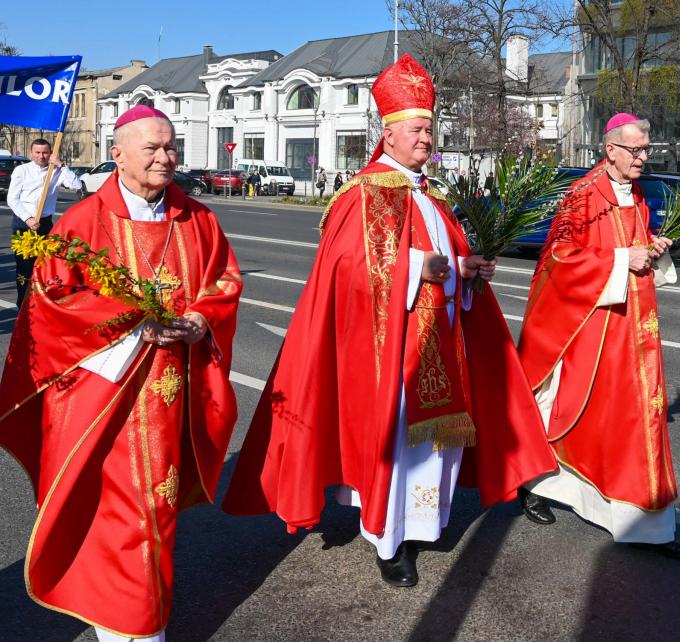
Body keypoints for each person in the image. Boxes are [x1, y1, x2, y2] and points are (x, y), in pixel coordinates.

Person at [223, 53, 556, 587]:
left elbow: (446, 261)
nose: (425, 138)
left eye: (428, 129)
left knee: (435, 448)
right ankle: (389, 539)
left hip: (442, 338)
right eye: (416, 130)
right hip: (393, 348)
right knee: (399, 444)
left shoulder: (433, 195)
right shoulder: (364, 191)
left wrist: (466, 269)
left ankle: (423, 524)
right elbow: (346, 268)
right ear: (389, 134)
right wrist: (415, 269)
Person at [0, 105, 243, 640]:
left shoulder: (198, 218)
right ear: (118, 155)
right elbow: (50, 305)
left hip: (173, 393)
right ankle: (132, 626)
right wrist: (132, 325)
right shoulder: (82, 223)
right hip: (106, 397)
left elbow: (223, 280)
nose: (165, 157)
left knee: (158, 510)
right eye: (151, 148)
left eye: (171, 147)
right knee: (123, 514)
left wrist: (201, 319)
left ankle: (141, 618)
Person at [516, 113, 680, 560]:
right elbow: (559, 257)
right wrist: (620, 259)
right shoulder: (581, 196)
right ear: (610, 149)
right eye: (635, 150)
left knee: (637, 417)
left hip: (636, 322)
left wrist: (653, 249)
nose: (643, 158)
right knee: (582, 413)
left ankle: (649, 525)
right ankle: (538, 483)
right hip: (593, 328)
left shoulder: (636, 193)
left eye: (646, 149)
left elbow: (636, 246)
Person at [7, 138, 82, 308]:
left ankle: (42, 304)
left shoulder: (56, 171)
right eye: (38, 152)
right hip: (23, 224)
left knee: (47, 266)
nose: (41, 156)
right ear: (31, 153)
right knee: (25, 268)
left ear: (51, 153)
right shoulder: (22, 170)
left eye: (45, 153)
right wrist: (28, 218)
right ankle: (23, 305)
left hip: (45, 224)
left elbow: (76, 185)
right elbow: (12, 199)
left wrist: (61, 165)